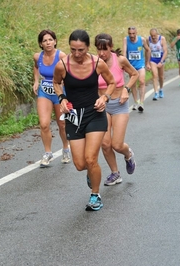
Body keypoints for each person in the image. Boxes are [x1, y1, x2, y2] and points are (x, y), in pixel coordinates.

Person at [53, 29, 116, 211]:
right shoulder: (63, 66)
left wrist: (104, 98)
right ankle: (91, 171)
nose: (77, 54)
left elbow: (111, 83)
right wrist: (62, 98)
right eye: (73, 50)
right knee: (81, 164)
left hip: (94, 114)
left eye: (81, 50)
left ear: (88, 48)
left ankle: (95, 196)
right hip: (74, 117)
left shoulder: (98, 63)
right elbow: (56, 83)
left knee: (90, 158)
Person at [95, 33, 138, 186]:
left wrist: (126, 88)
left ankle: (128, 154)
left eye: (104, 49)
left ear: (111, 47)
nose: (101, 53)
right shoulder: (94, 63)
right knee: (105, 144)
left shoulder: (120, 60)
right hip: (102, 107)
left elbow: (134, 74)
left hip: (119, 105)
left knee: (117, 145)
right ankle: (115, 173)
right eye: (98, 49)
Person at [33, 29, 71, 167]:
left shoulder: (61, 55)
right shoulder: (38, 57)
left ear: (55, 41)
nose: (48, 43)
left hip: (60, 93)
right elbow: (36, 67)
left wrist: (66, 94)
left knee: (62, 124)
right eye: (44, 41)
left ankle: (66, 148)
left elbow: (69, 73)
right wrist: (36, 81)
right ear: (41, 44)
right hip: (45, 92)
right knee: (44, 124)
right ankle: (48, 153)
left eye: (50, 40)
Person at [122, 27, 150, 112]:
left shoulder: (142, 40)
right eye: (130, 33)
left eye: (133, 33)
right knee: (133, 84)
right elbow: (124, 52)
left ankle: (141, 103)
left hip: (140, 64)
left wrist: (147, 63)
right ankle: (135, 101)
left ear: (136, 32)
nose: (131, 35)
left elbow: (148, 50)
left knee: (142, 81)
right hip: (131, 66)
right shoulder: (126, 40)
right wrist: (124, 64)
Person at [148, 28, 168, 100]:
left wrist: (161, 62)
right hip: (153, 59)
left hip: (161, 59)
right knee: (155, 75)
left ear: (157, 34)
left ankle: (161, 89)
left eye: (154, 35)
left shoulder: (162, 39)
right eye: (151, 35)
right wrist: (147, 63)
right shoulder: (148, 40)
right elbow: (147, 51)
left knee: (161, 76)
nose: (153, 37)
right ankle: (156, 92)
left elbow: (165, 51)